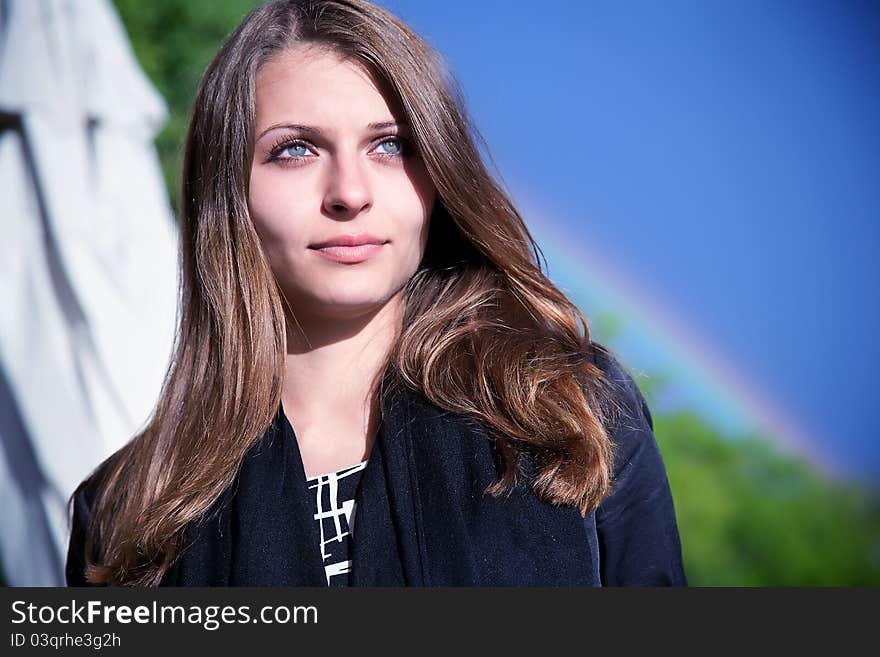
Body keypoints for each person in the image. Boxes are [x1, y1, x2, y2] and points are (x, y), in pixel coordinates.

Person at [66, 0, 686, 587]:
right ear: (228, 195)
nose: (350, 192)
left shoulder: (566, 410)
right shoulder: (127, 514)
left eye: (390, 146)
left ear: (440, 174)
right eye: (295, 149)